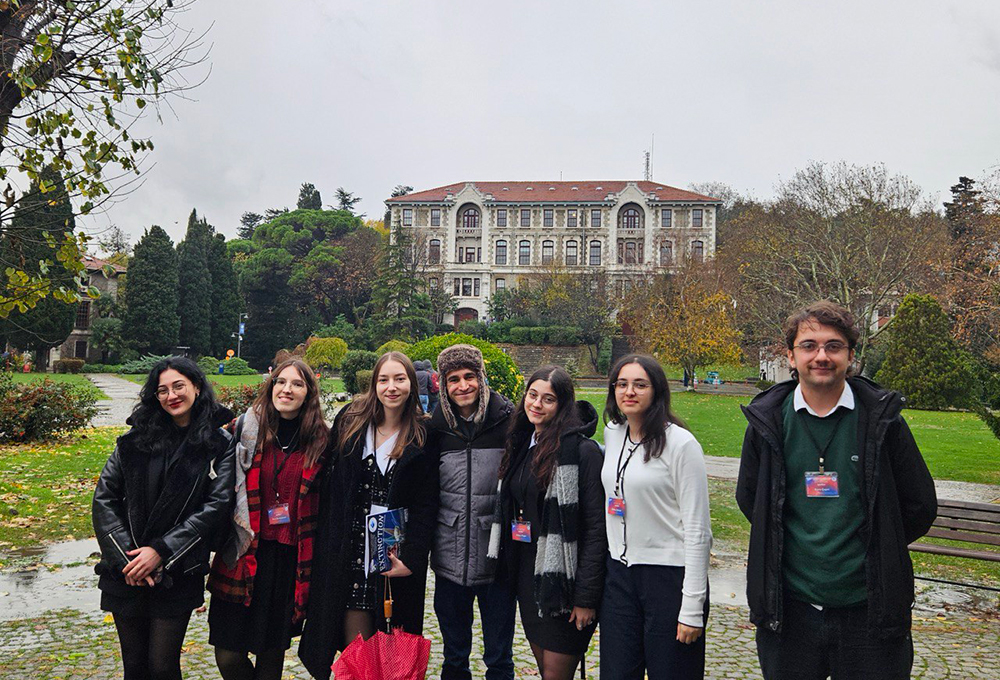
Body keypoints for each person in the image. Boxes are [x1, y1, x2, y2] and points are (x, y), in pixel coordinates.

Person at [736, 300, 937, 680]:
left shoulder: (883, 421)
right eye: (809, 345)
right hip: (790, 612)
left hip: (871, 613)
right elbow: (752, 501)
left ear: (850, 356)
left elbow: (919, 504)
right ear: (791, 357)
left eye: (834, 346)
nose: (821, 356)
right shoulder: (767, 425)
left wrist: (880, 541)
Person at [92, 357, 236, 680]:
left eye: (178, 386)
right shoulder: (136, 439)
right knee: (135, 666)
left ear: (197, 388)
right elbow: (104, 498)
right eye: (162, 390)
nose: (171, 395)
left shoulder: (218, 444)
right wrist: (127, 558)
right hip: (126, 568)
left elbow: (216, 506)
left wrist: (160, 552)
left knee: (162, 666)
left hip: (178, 569)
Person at [299, 352, 437, 679]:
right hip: (349, 552)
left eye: (399, 379)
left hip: (391, 557)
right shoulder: (352, 420)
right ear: (374, 384)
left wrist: (412, 559)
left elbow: (427, 505)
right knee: (356, 653)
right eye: (384, 379)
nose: (392, 387)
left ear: (411, 384)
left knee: (389, 654)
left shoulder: (424, 434)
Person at [207, 359, 331, 680]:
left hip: (287, 563)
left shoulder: (321, 442)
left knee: (270, 658)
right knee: (228, 654)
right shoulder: (245, 428)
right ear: (271, 386)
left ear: (309, 393)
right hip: (243, 552)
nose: (287, 389)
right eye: (281, 382)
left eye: (297, 384)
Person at [489, 365, 606, 679]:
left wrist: (585, 598)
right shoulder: (522, 445)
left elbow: (596, 530)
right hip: (529, 579)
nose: (537, 404)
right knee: (546, 671)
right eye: (533, 395)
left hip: (564, 585)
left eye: (548, 399)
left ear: (563, 405)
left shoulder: (582, 452)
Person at [600, 354, 712, 680]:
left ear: (657, 391)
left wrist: (691, 607)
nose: (629, 392)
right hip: (619, 576)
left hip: (669, 578)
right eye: (622, 384)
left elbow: (698, 529)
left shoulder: (680, 444)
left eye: (640, 384)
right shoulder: (613, 432)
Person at [427, 343, 517, 680]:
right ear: (443, 385)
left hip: (496, 560)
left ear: (481, 378)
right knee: (453, 657)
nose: (463, 385)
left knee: (499, 657)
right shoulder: (435, 429)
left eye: (469, 376)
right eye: (453, 379)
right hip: (449, 561)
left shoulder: (508, 423)